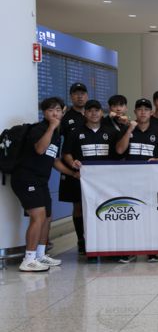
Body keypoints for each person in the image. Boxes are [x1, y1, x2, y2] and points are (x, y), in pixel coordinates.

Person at [12, 97, 76, 271]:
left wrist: (72, 174)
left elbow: (54, 160)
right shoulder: (39, 129)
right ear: (44, 113)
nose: (55, 114)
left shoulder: (56, 135)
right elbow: (40, 149)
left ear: (63, 112)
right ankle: (28, 259)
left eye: (58, 110)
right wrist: (52, 127)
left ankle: (40, 255)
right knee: (38, 216)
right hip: (26, 178)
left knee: (47, 217)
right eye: (50, 110)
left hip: (41, 180)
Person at [115, 98, 158, 263]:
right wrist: (129, 130)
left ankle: (152, 250)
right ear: (135, 112)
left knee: (150, 215)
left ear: (151, 112)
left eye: (146, 109)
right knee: (131, 215)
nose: (143, 112)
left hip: (151, 180)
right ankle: (130, 250)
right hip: (130, 180)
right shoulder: (126, 129)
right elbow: (120, 150)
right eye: (140, 109)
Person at [62, 99, 119, 260]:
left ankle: (106, 243)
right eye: (90, 110)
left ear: (101, 113)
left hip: (105, 181)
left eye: (97, 110)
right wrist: (72, 163)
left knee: (105, 209)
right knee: (81, 209)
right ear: (85, 113)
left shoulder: (111, 132)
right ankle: (82, 240)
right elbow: (66, 153)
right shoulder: (75, 132)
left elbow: (119, 153)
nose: (94, 113)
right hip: (82, 179)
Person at [58, 82, 87, 254]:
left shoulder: (93, 114)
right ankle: (81, 239)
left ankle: (94, 237)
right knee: (78, 205)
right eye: (76, 93)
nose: (80, 96)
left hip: (93, 168)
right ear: (71, 96)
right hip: (74, 168)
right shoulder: (65, 118)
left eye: (82, 93)